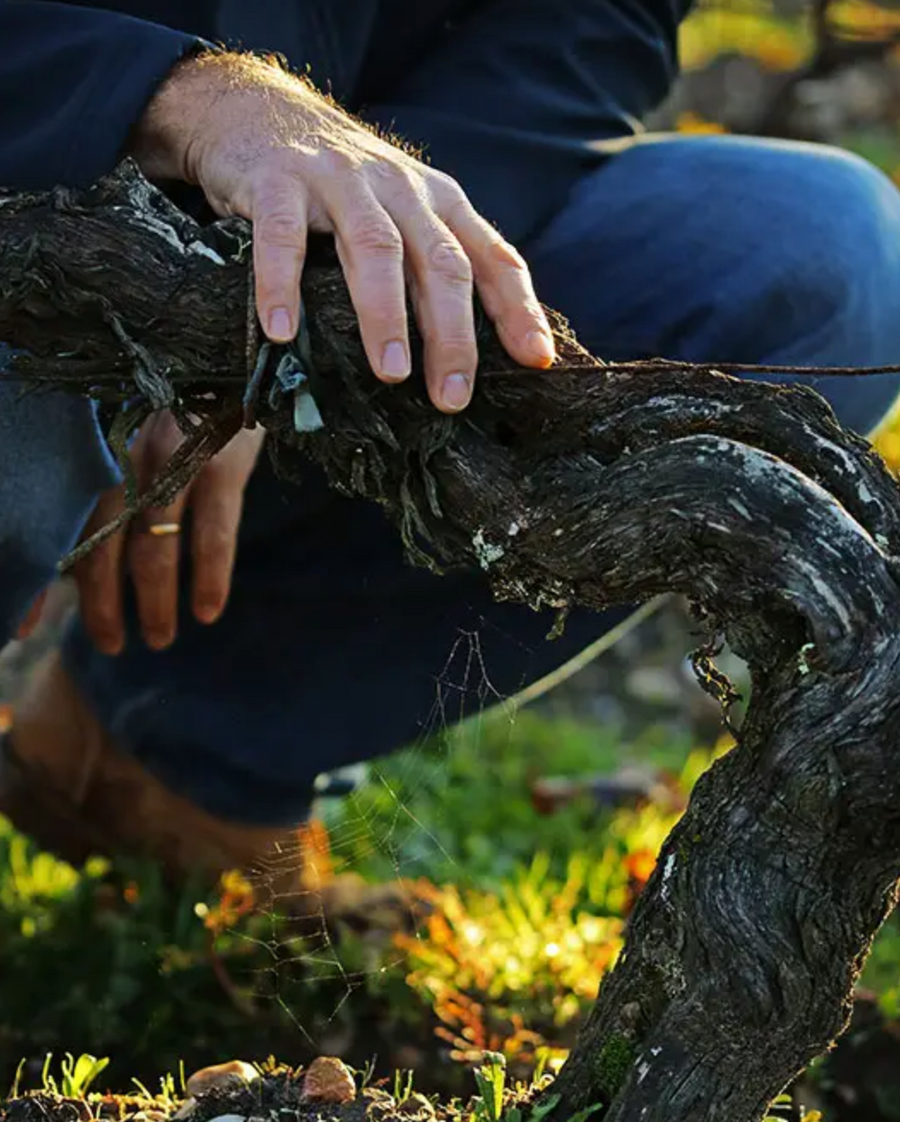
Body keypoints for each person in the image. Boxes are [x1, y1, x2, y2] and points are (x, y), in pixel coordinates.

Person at [2, 0, 900, 894]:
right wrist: (167, 93)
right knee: (20, 459)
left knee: (826, 257)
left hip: (289, 212)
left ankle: (176, 742)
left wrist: (309, 292)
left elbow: (586, 28)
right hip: (32, 171)